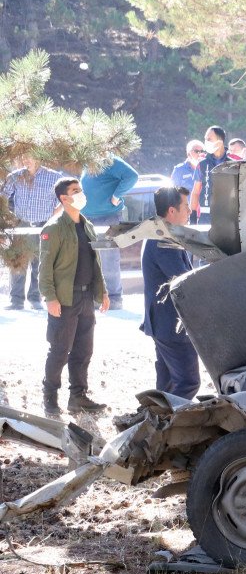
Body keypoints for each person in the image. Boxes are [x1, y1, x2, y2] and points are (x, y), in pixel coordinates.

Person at [39, 176, 109, 415]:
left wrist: (103, 292)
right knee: (59, 350)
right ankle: (50, 397)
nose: (81, 194)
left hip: (86, 297)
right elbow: (45, 268)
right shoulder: (54, 228)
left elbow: (95, 262)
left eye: (80, 189)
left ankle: (78, 397)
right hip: (64, 300)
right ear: (64, 198)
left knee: (83, 351)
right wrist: (50, 297)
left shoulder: (87, 225)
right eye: (75, 191)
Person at [141, 187, 200, 400]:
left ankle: (157, 418)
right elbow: (183, 280)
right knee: (188, 383)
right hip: (171, 325)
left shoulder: (163, 234)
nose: (190, 211)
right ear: (172, 211)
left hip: (163, 324)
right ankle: (169, 418)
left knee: (166, 385)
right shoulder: (163, 240)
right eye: (186, 206)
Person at [2, 154, 62, 310]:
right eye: (23, 157)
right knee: (18, 261)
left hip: (44, 225)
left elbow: (65, 198)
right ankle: (16, 300)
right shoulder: (15, 176)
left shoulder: (54, 177)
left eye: (29, 156)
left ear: (39, 157)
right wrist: (7, 217)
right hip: (21, 224)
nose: (25, 160)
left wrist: (54, 214)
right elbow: (3, 197)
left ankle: (35, 298)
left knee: (40, 263)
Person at [80, 155, 138, 310]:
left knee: (108, 259)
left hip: (107, 218)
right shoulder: (88, 159)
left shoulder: (109, 159)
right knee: (89, 259)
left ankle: (114, 298)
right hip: (86, 218)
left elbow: (132, 176)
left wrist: (116, 196)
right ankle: (95, 297)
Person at [190, 125, 230, 224]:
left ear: (220, 141)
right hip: (205, 217)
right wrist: (193, 216)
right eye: (205, 139)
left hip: (228, 217)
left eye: (209, 139)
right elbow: (195, 192)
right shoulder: (202, 164)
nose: (206, 142)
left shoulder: (233, 164)